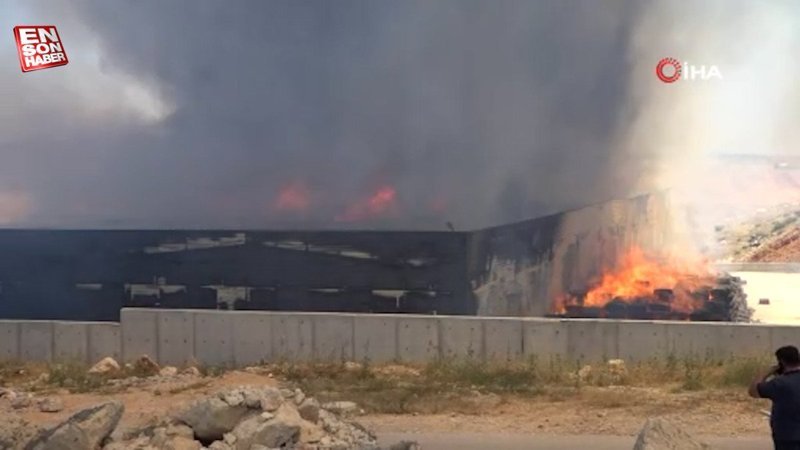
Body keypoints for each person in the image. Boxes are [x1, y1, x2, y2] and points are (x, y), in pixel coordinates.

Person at [749, 345, 800, 450]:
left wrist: (767, 372)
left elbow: (753, 391)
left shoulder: (779, 383)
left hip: (787, 436)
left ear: (781, 362)